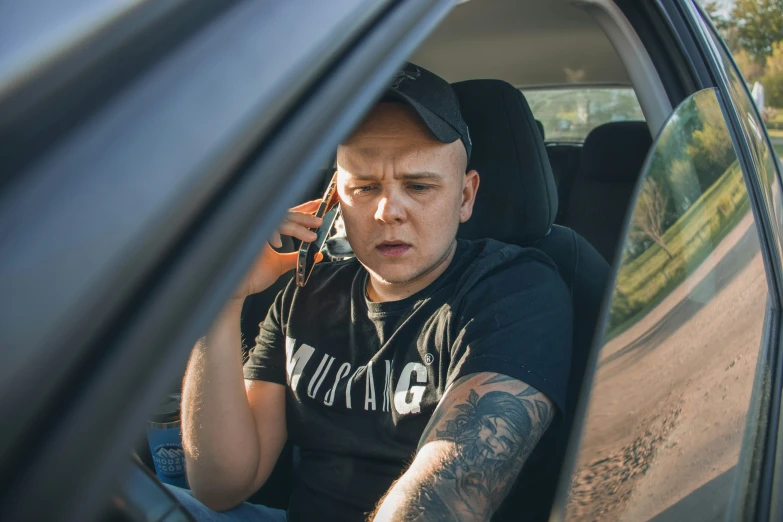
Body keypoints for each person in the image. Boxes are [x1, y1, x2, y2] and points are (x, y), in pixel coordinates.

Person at [171, 62, 572, 522]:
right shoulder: (305, 292)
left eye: (418, 186)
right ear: (334, 200)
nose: (387, 211)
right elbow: (221, 486)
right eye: (364, 187)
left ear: (465, 197)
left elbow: (445, 502)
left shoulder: (513, 292)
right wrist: (222, 299)